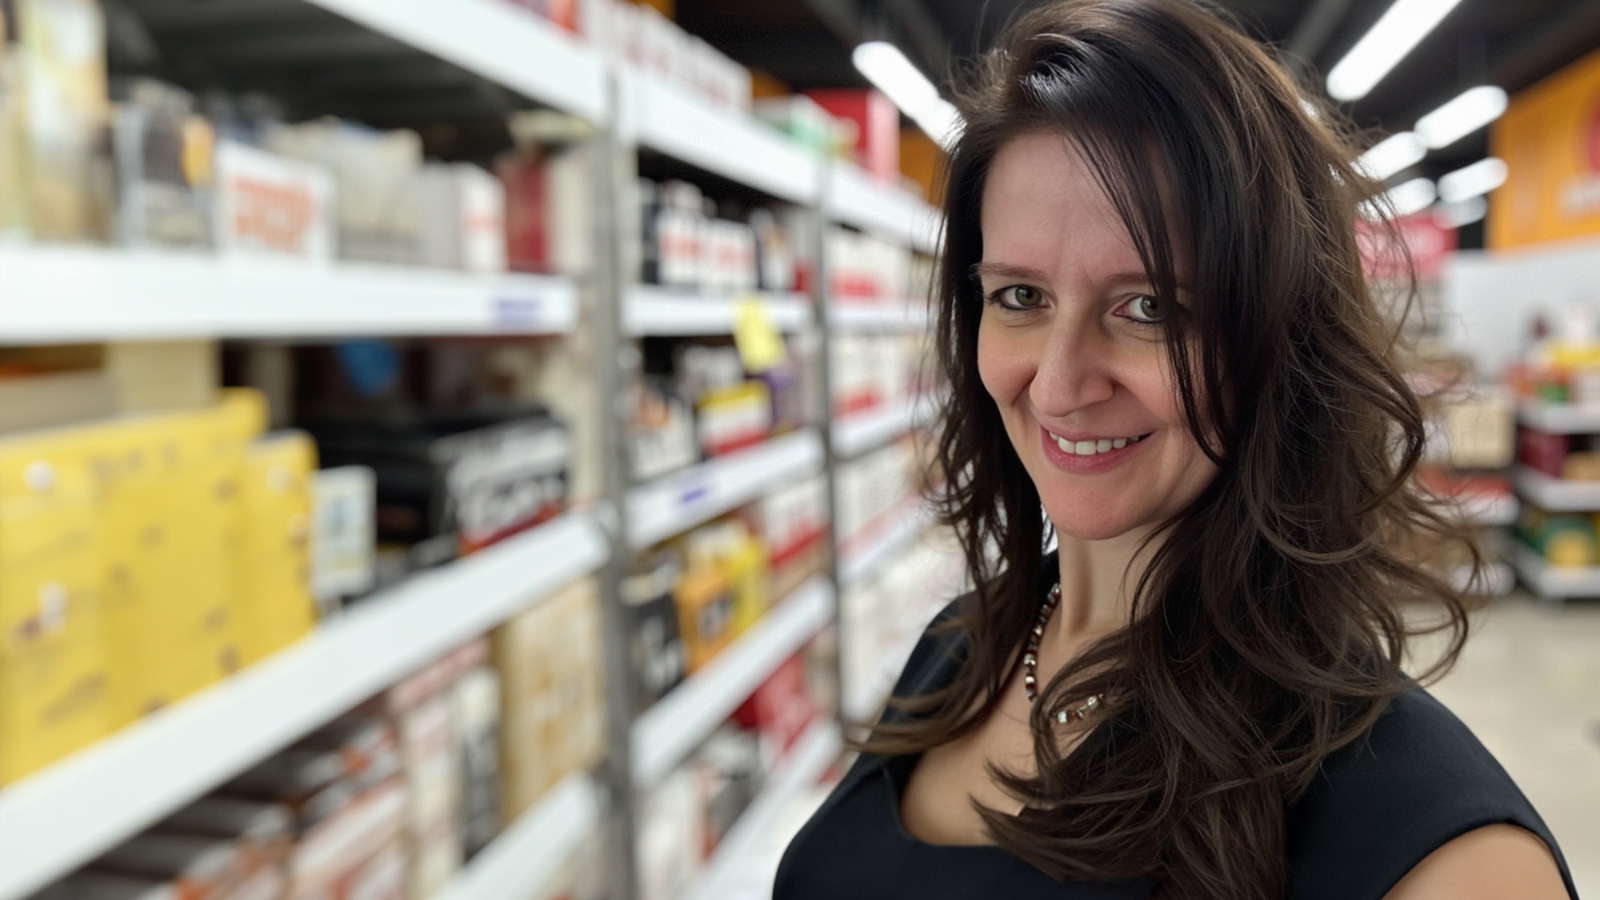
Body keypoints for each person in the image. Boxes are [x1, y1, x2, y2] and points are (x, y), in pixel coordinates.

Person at [773, 1, 1579, 898]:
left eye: (1150, 307)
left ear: (1285, 341)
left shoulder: (1445, 858)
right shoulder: (962, 643)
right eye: (1020, 298)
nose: (1059, 385)